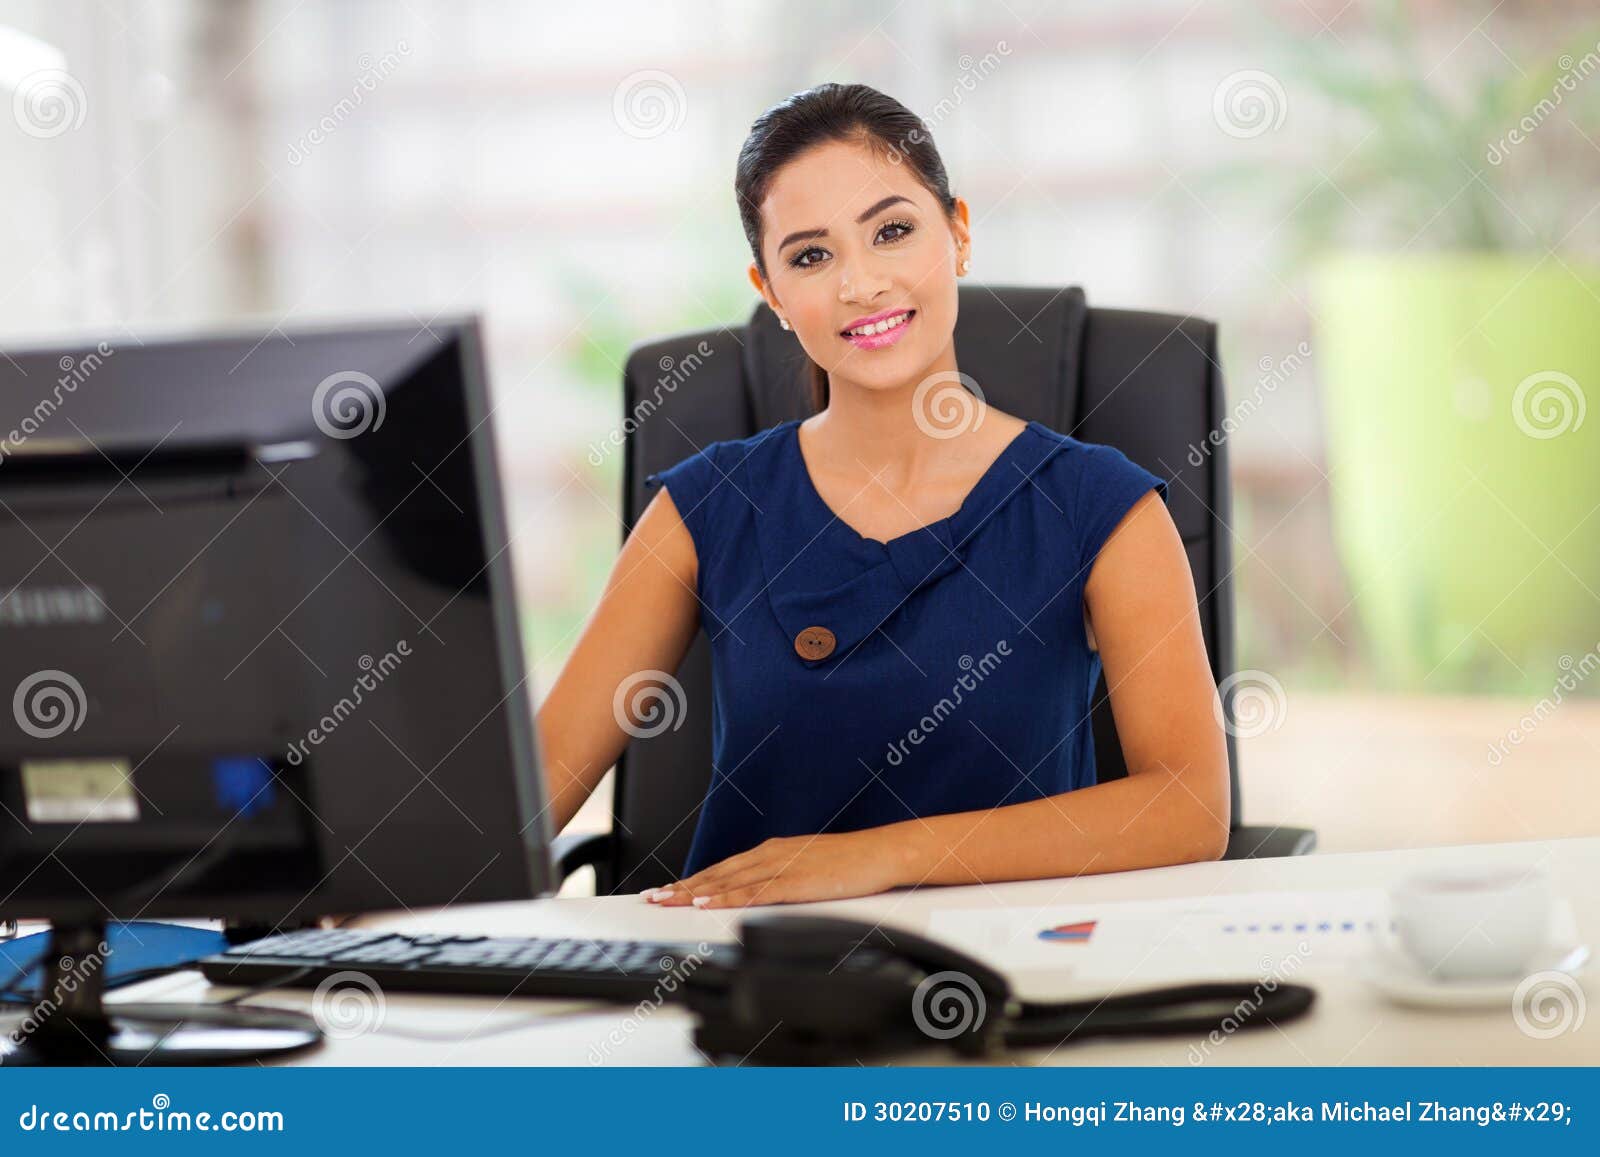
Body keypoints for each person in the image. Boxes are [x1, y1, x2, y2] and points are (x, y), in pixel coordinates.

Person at [536, 83, 1230, 909]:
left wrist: (884, 856)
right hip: (746, 993)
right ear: (772, 294)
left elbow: (1188, 807)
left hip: (1007, 993)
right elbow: (531, 792)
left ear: (959, 234)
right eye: (811, 256)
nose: (860, 284)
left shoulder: (1100, 506)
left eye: (892, 231)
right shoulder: (705, 508)